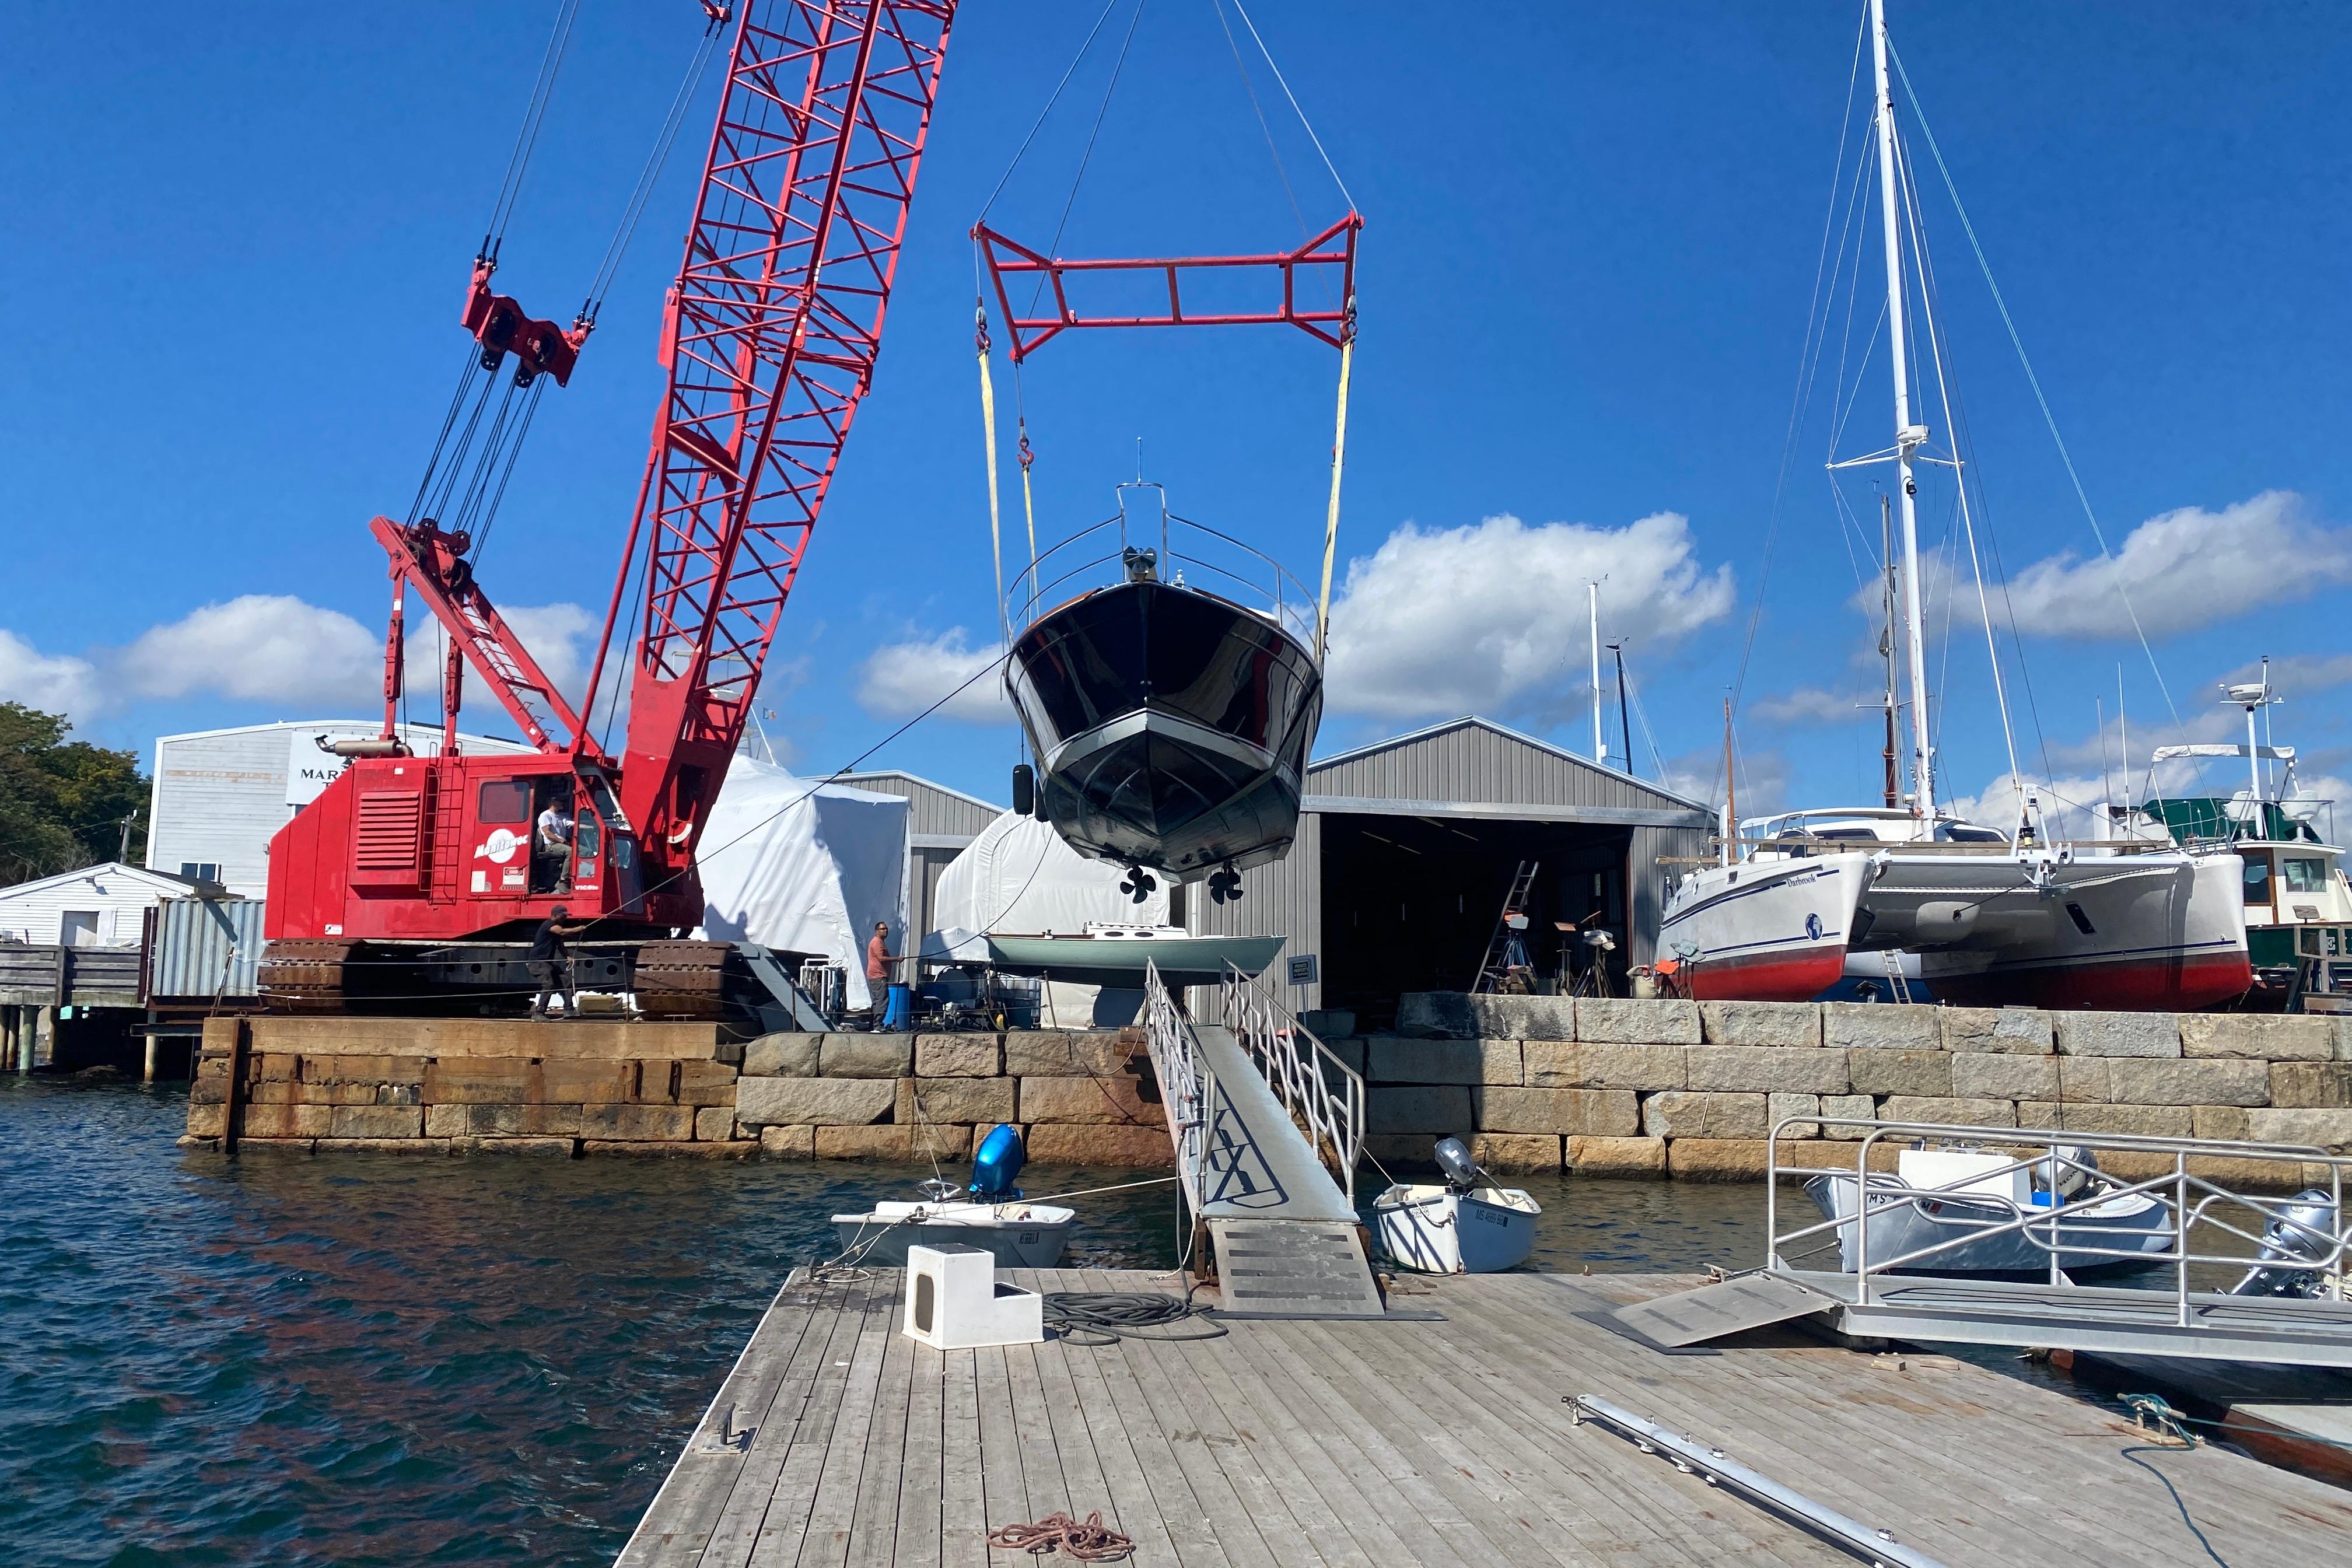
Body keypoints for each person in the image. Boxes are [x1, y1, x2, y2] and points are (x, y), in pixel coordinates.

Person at [529, 904, 590, 1020]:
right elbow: (562, 932)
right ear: (555, 915)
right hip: (538, 963)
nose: (565, 918)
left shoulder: (555, 929)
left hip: (547, 963)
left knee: (566, 982)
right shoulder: (549, 925)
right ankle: (538, 1014)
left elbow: (560, 945)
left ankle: (569, 1010)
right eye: (563, 916)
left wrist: (567, 956)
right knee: (549, 984)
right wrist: (579, 929)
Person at [536, 794, 576, 894]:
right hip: (551, 845)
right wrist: (561, 841)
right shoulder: (545, 815)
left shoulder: (562, 818)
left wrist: (591, 826)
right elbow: (547, 833)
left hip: (560, 844)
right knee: (572, 852)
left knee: (582, 852)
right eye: (560, 801)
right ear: (553, 803)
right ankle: (563, 881)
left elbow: (576, 825)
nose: (563, 803)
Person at [864, 920, 898, 1024]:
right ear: (877, 931)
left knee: (878, 1001)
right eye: (883, 929)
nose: (885, 931)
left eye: (886, 929)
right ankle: (877, 1024)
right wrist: (897, 959)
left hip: (878, 976)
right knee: (882, 1001)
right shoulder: (877, 942)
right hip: (878, 977)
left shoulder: (880, 942)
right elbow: (881, 958)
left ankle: (873, 1024)